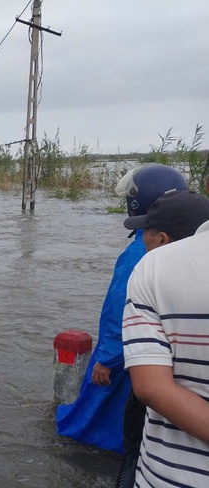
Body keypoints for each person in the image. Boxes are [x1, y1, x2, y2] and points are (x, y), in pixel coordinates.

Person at [55, 163, 187, 453]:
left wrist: (106, 358)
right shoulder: (187, 246)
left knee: (95, 413)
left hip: (128, 357)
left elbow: (119, 310)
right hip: (166, 357)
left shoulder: (141, 252)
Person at [114, 189, 209, 487]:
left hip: (165, 474)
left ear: (163, 239)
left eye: (146, 233)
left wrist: (103, 359)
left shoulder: (152, 268)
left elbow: (152, 389)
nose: (142, 239)